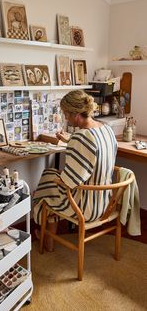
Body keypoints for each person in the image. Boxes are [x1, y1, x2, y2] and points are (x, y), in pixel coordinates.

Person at [33, 90, 117, 251]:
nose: (66, 118)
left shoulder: (81, 137)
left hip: (86, 208)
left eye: (66, 114)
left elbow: (68, 182)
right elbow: (92, 150)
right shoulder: (106, 129)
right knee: (51, 179)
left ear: (76, 114)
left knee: (47, 180)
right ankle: (49, 239)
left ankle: (47, 238)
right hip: (105, 202)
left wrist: (41, 189)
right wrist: (70, 140)